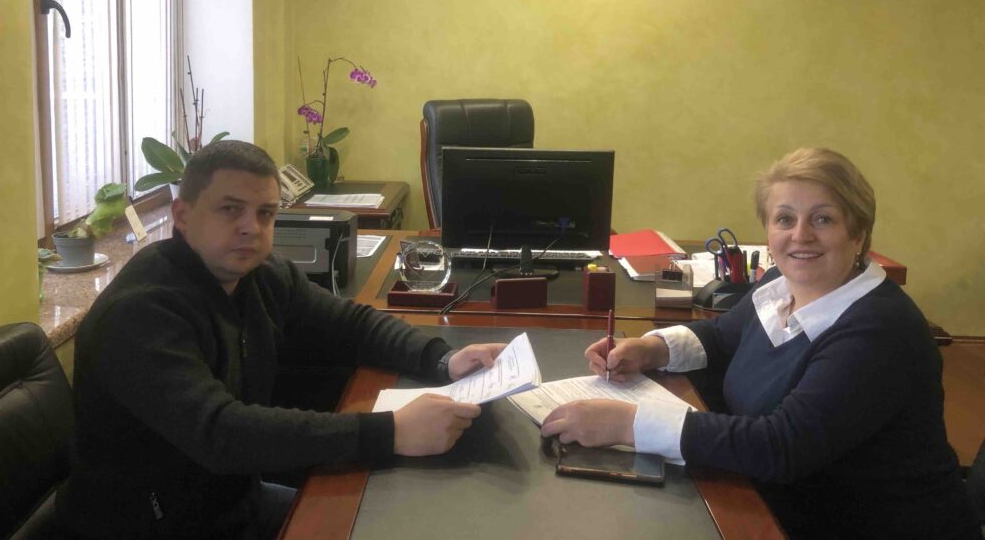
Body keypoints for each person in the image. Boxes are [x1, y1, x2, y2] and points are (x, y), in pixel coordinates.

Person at [56, 140, 504, 540]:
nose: (251, 227)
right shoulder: (141, 312)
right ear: (183, 215)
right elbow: (220, 433)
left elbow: (353, 325)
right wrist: (392, 432)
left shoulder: (262, 276)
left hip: (231, 505)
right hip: (151, 527)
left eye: (265, 213)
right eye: (230, 209)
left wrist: (443, 359)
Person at [541, 147, 978, 539]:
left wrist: (627, 425)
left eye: (823, 219)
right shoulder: (779, 284)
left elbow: (782, 445)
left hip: (860, 524)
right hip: (773, 498)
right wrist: (653, 348)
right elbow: (722, 336)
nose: (800, 235)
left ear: (858, 234)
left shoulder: (878, 329)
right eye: (784, 219)